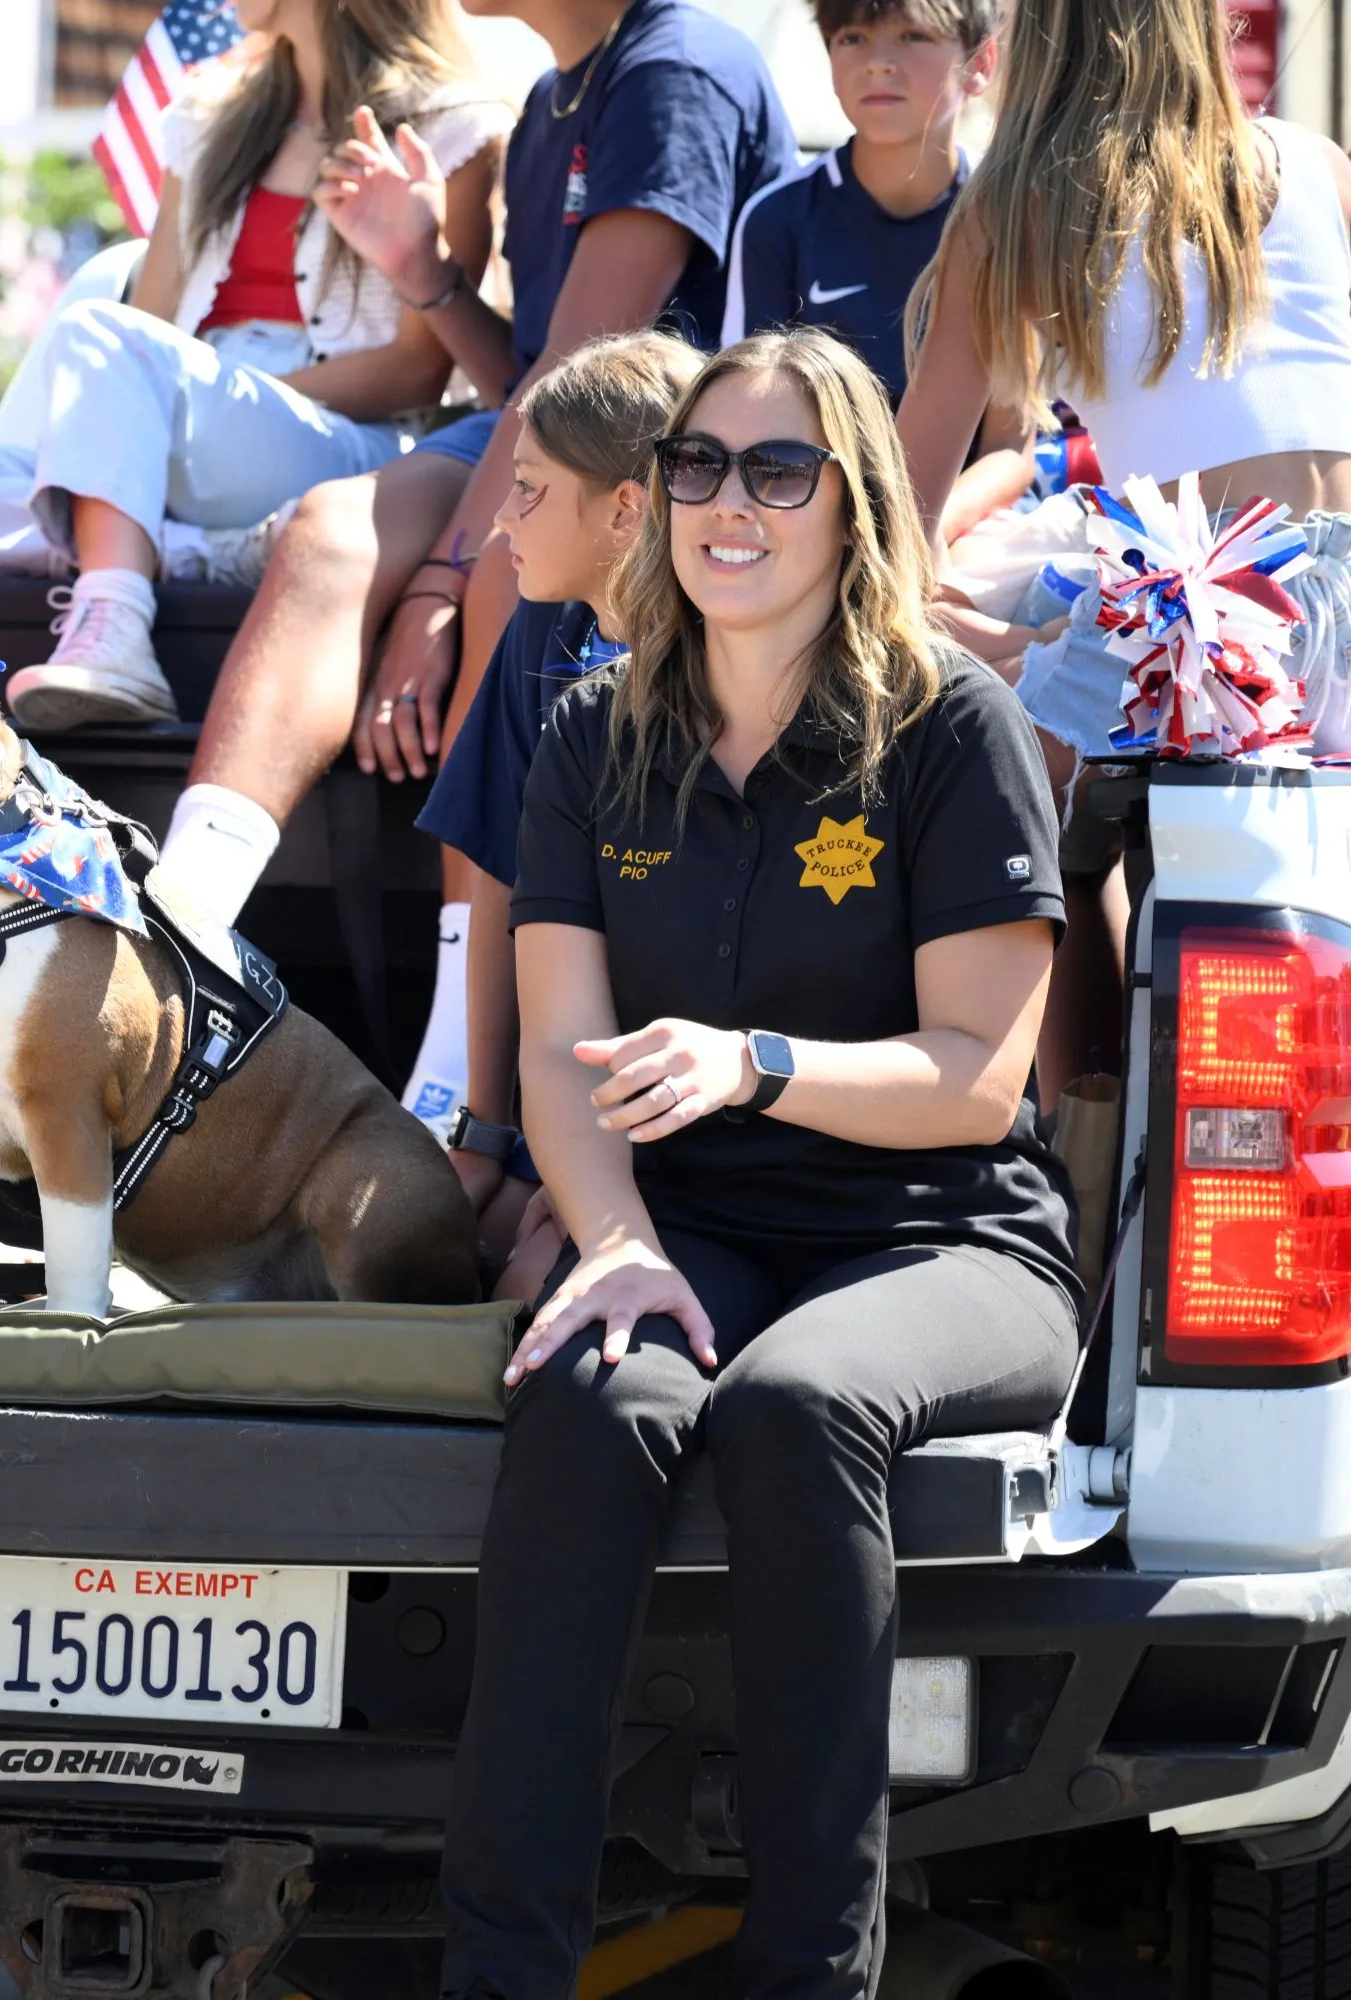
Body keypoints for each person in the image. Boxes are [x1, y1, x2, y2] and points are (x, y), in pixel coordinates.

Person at [443, 330, 1079, 1996]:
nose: (731, 505)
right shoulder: (594, 730)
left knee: (798, 1409)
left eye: (778, 469)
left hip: (948, 1243)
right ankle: (500, 1973)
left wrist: (756, 1065)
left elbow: (974, 1082)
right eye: (699, 467)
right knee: (592, 1396)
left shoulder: (957, 732)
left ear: (854, 502)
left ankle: (814, 1972)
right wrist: (613, 1246)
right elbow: (566, 1056)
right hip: (695, 1224)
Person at [153, 0, 789, 1139]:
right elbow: (523, 373)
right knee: (327, 532)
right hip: (537, 427)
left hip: (666, 450)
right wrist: (426, 273)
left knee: (508, 573)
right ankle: (171, 953)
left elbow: (587, 381)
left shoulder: (675, 68)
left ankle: (454, 1086)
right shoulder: (555, 96)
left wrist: (447, 582)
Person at [898, 0, 1351, 1091]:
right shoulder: (1316, 159)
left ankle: (1078, 1122)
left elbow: (900, 500)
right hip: (1320, 605)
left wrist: (932, 623)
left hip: (1213, 613)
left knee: (985, 801)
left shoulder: (1020, 203)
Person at [0, 0, 511, 730]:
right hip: (186, 414)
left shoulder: (450, 124)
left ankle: (113, 625)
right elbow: (150, 330)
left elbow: (414, 372)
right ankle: (189, 546)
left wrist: (208, 403)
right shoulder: (207, 116)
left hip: (347, 445)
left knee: (95, 338)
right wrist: (184, 406)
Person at [414, 330, 699, 1273]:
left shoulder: (731, 668)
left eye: (527, 489)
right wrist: (489, 1142)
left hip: (696, 1134)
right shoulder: (544, 622)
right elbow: (505, 878)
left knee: (539, 1291)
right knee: (441, 1255)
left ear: (626, 512)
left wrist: (595, 1196)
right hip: (564, 1112)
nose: (499, 519)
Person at [718, 0, 994, 401]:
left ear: (980, 63)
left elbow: (1012, 444)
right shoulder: (776, 218)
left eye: (913, 35)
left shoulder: (1010, 211)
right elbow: (750, 410)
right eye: (853, 38)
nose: (878, 63)